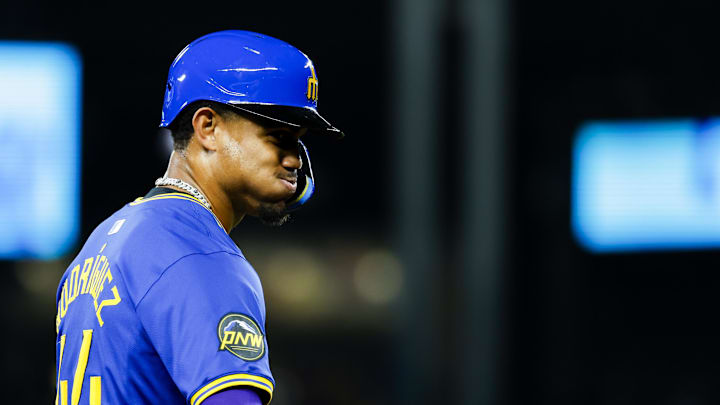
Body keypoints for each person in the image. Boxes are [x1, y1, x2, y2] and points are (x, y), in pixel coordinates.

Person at [53, 30, 343, 405]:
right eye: (278, 137)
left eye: (299, 140)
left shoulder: (106, 238)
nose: (295, 159)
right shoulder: (200, 255)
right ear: (207, 127)